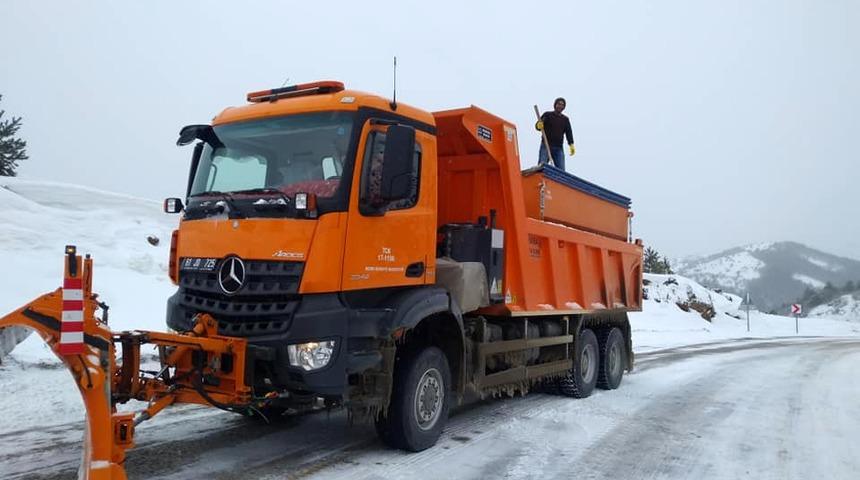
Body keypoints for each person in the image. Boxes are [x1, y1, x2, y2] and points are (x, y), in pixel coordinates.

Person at [535, 97, 575, 170]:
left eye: (562, 105)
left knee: (561, 171)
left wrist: (571, 144)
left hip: (558, 148)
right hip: (546, 146)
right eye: (559, 104)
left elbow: (569, 132)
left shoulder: (565, 119)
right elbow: (538, 126)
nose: (560, 106)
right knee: (541, 167)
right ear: (555, 105)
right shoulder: (547, 115)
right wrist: (539, 124)